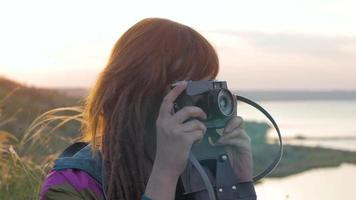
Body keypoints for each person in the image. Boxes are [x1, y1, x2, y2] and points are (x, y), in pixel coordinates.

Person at [39, 18, 256, 200]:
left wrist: (240, 180)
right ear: (142, 90)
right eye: (194, 88)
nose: (206, 102)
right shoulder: (74, 183)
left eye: (210, 87)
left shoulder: (201, 169)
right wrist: (165, 173)